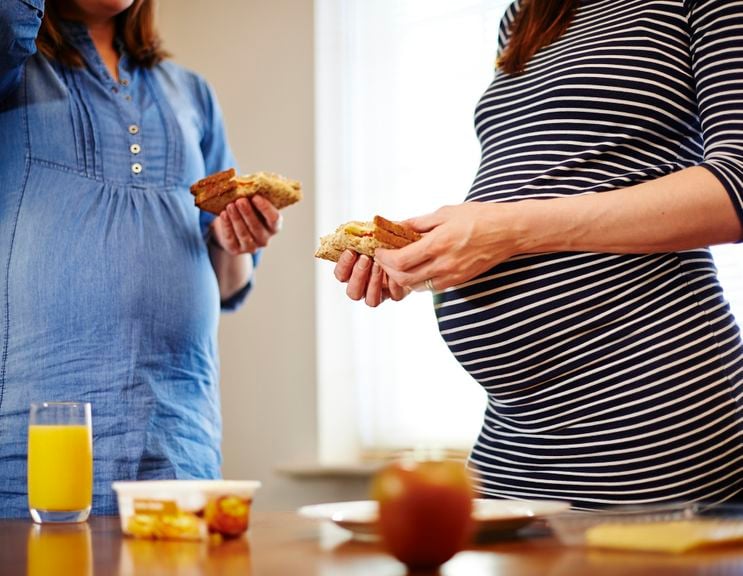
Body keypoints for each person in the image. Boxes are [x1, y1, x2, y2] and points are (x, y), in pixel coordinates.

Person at [333, 0, 743, 508]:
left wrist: (511, 232)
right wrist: (427, 256)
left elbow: (736, 188)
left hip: (641, 408)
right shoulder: (527, 12)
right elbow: (546, 173)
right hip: (511, 436)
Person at [0, 0, 282, 517]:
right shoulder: (12, 63)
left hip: (179, 446)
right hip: (32, 459)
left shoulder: (191, 93)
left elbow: (226, 284)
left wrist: (233, 240)